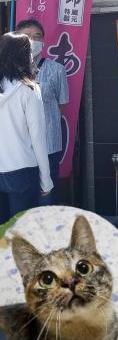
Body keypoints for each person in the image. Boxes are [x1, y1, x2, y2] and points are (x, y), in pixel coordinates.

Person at [15, 18, 69, 205]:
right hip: (18, 148)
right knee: (20, 200)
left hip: (48, 145)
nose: (32, 40)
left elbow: (61, 106)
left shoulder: (57, 70)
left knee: (46, 198)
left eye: (37, 36)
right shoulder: (8, 71)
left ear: (44, 41)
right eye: (27, 36)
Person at [0, 32, 53, 222]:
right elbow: (38, 137)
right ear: (23, 57)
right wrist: (46, 180)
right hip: (22, 169)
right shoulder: (29, 89)